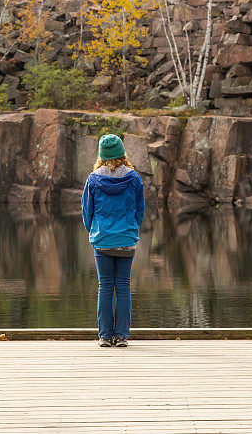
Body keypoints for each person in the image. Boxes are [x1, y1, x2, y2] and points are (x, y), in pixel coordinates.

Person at [81, 134, 145, 347]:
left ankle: (105, 337)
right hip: (126, 239)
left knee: (106, 286)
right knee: (124, 286)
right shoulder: (134, 178)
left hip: (103, 240)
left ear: (102, 155)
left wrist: (94, 231)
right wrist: (131, 229)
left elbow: (86, 211)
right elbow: (140, 210)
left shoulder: (93, 179)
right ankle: (122, 337)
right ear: (122, 153)